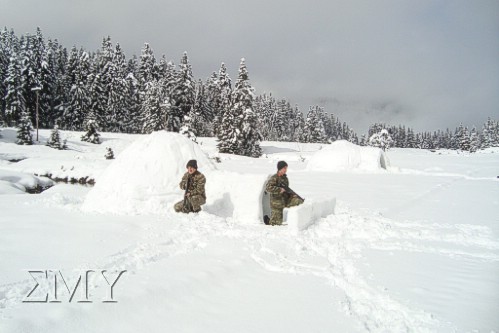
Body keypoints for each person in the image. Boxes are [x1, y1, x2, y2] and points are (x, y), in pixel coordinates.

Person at [265, 161, 304, 225]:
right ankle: (268, 220)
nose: (286, 170)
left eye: (286, 168)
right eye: (284, 168)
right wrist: (279, 189)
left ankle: (297, 220)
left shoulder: (285, 178)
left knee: (299, 201)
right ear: (280, 168)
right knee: (276, 223)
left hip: (285, 200)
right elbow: (268, 188)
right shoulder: (274, 178)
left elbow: (286, 190)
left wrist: (292, 196)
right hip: (277, 202)